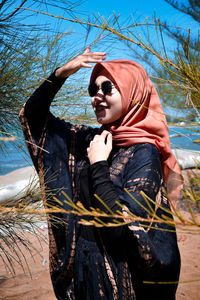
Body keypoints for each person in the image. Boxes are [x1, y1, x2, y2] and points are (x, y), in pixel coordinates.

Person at [19, 47, 182, 300]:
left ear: (132, 92)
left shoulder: (144, 153)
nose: (97, 96)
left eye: (107, 88)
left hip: (118, 277)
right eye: (92, 90)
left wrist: (98, 165)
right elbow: (33, 117)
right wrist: (61, 73)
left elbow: (123, 227)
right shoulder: (90, 139)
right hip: (81, 269)